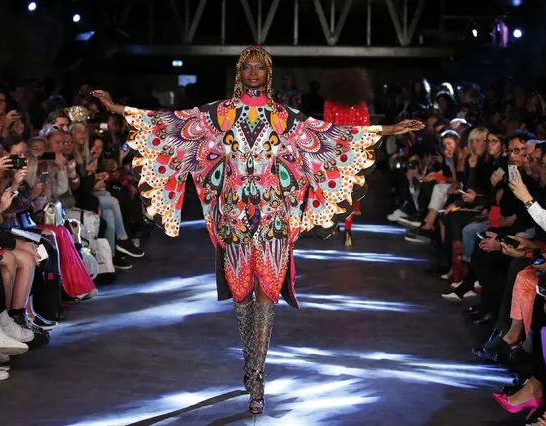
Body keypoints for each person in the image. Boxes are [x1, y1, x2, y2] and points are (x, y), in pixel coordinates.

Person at [92, 45, 422, 414]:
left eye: (260, 68)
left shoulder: (284, 118)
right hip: (233, 216)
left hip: (274, 217)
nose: (253, 73)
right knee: (240, 294)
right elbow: (170, 123)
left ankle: (257, 376)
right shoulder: (221, 114)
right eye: (247, 67)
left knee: (267, 290)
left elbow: (332, 136)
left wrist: (389, 129)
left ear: (269, 74)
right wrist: (117, 108)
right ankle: (250, 364)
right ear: (239, 73)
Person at [323, 68, 372, 247]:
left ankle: (334, 223)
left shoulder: (329, 104)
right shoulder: (361, 106)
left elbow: (327, 129)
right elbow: (366, 129)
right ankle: (348, 231)